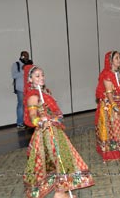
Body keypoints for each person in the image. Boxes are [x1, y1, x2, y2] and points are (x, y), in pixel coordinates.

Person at [23, 66, 94, 198]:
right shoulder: (33, 96)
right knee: (53, 161)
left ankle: (61, 191)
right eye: (37, 76)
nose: (41, 77)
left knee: (61, 160)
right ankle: (60, 192)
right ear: (30, 79)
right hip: (45, 134)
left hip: (55, 131)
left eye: (42, 75)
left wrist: (55, 118)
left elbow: (56, 113)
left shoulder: (46, 93)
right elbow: (32, 116)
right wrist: (41, 121)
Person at [11, 51, 33, 129]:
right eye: (24, 56)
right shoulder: (16, 64)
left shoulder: (30, 64)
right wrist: (24, 70)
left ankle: (29, 121)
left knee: (31, 105)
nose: (26, 57)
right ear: (21, 56)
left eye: (27, 56)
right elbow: (14, 75)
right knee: (21, 105)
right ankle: (20, 123)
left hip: (30, 88)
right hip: (21, 88)